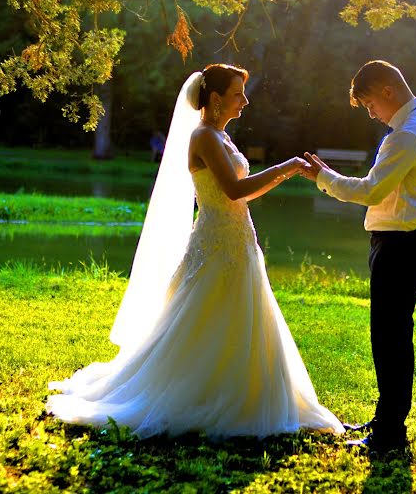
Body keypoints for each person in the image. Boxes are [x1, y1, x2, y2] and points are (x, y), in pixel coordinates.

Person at [47, 64, 345, 440]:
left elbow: (242, 193)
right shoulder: (203, 137)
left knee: (241, 317)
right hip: (216, 243)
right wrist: (285, 167)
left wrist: (284, 174)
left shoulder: (222, 138)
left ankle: (242, 392)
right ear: (216, 99)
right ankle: (201, 393)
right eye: (238, 94)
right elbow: (234, 191)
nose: (245, 101)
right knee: (202, 316)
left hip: (238, 238)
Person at [300, 60, 416, 456]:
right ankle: (386, 421)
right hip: (404, 241)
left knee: (390, 339)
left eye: (369, 104)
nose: (371, 113)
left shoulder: (409, 132)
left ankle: (389, 436)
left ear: (387, 91)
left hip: (401, 244)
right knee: (391, 335)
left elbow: (370, 191)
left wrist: (323, 177)